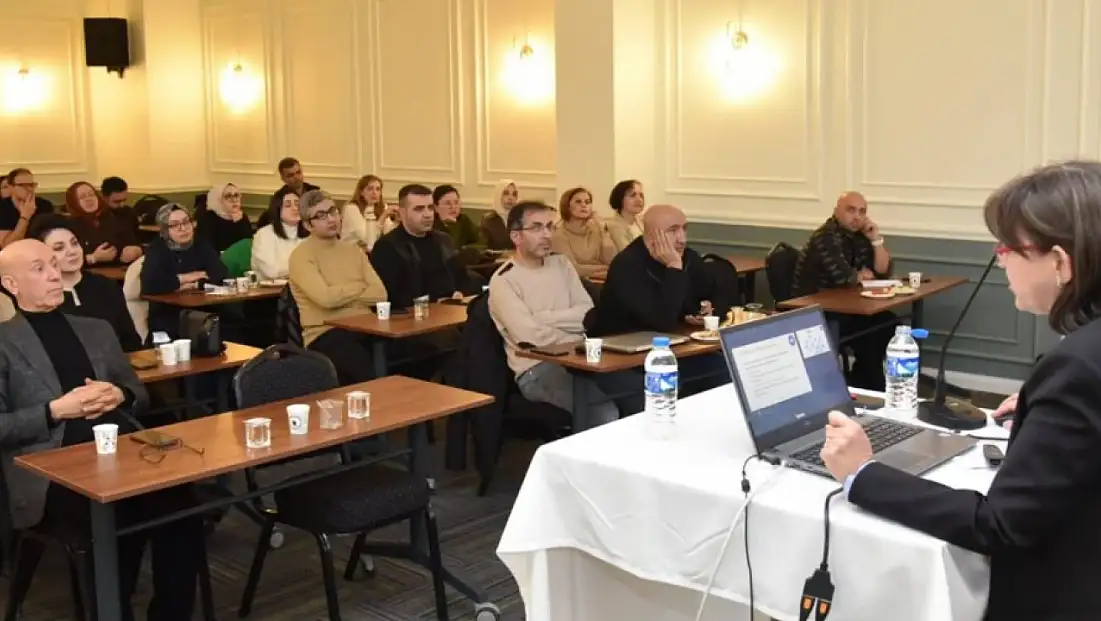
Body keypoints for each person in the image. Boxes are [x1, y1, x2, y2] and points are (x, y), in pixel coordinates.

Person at [821, 160, 1101, 620]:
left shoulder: (1076, 369)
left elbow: (1001, 526)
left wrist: (863, 474)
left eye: (1010, 246)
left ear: (1060, 262)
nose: (999, 257)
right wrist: (1041, 416)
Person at [0, 239, 204, 620]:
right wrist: (55, 410)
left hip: (122, 447)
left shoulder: (96, 329)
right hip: (51, 466)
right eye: (38, 268)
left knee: (183, 506)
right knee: (112, 518)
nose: (53, 274)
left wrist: (119, 394)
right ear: (11, 285)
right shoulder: (4, 342)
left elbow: (140, 394)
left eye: (53, 264)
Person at [490, 201, 641, 429]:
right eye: (537, 228)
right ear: (516, 236)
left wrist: (542, 316)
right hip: (538, 369)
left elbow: (586, 314)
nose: (547, 234)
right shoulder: (503, 281)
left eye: (550, 227)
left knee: (640, 393)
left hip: (581, 358)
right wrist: (572, 331)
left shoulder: (561, 264)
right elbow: (531, 337)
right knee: (602, 412)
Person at [792, 191, 896, 390]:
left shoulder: (859, 237)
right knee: (869, 334)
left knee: (888, 323)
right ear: (836, 211)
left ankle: (863, 380)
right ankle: (871, 384)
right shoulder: (824, 236)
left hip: (847, 308)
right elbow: (845, 277)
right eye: (851, 210)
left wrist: (876, 240)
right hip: (816, 311)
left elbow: (882, 272)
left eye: (862, 212)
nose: (857, 216)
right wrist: (858, 275)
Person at [288, 190, 388, 385]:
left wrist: (339, 290)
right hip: (326, 333)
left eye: (333, 211)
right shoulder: (301, 256)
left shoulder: (353, 250)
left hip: (367, 327)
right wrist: (359, 287)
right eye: (321, 216)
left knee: (415, 351)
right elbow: (325, 299)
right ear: (308, 225)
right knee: (360, 364)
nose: (331, 219)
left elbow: (380, 294)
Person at [28, 215, 142, 352]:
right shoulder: (38, 296)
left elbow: (130, 341)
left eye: (74, 243)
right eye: (59, 248)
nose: (71, 252)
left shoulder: (106, 286)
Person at [140, 204, 228, 340]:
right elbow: (150, 284)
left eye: (186, 222)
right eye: (175, 225)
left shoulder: (201, 243)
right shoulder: (157, 249)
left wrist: (193, 285)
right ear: (164, 229)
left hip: (205, 311)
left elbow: (221, 274)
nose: (183, 228)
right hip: (168, 316)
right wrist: (186, 278)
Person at [370, 184, 460, 309]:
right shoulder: (387, 247)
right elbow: (394, 297)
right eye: (419, 209)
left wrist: (459, 293)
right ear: (402, 213)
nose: (427, 214)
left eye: (430, 208)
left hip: (451, 311)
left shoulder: (443, 240)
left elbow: (460, 277)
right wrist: (436, 301)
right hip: (412, 318)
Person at [63, 181, 143, 266]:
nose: (89, 199)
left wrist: (137, 251)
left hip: (118, 273)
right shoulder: (68, 227)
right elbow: (63, 261)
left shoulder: (112, 217)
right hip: (88, 275)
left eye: (91, 194)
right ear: (74, 202)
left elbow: (135, 243)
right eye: (82, 197)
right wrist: (93, 258)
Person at [551, 187, 616, 279]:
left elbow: (612, 261)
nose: (584, 205)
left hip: (603, 280)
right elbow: (572, 268)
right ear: (567, 206)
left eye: (587, 202)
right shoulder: (559, 235)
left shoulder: (596, 230)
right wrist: (608, 269)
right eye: (578, 202)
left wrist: (603, 231)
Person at [251, 192, 305, 280]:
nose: (295, 208)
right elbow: (272, 271)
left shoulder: (310, 233)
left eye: (297, 204)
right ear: (277, 209)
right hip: (271, 291)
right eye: (288, 205)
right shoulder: (264, 234)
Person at [259, 157, 321, 228]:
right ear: (283, 178)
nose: (296, 177)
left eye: (298, 172)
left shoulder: (315, 192)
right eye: (290, 175)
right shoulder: (279, 198)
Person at [0, 168, 54, 248]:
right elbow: (7, 245)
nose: (29, 189)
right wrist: (25, 217)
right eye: (22, 185)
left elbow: (50, 238)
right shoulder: (3, 207)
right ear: (11, 187)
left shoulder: (45, 205)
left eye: (31, 185)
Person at [341, 174, 398, 250]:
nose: (374, 193)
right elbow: (367, 239)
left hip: (371, 251)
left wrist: (397, 221)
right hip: (351, 251)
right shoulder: (351, 208)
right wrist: (383, 216)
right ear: (361, 192)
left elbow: (389, 233)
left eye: (378, 189)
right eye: (370, 189)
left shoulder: (382, 207)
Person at [197, 182, 253, 252]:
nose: (234, 200)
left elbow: (248, 245)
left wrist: (239, 223)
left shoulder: (242, 217)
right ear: (218, 200)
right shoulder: (207, 219)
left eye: (236, 195)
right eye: (228, 196)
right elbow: (205, 248)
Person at [604, 179, 646, 252]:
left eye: (641, 195)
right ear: (620, 198)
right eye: (633, 195)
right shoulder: (614, 226)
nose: (639, 200)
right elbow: (628, 255)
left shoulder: (642, 221)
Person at [481, 179, 519, 250]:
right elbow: (484, 249)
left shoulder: (520, 219)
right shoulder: (488, 220)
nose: (510, 198)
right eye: (506, 193)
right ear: (499, 195)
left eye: (514, 194)